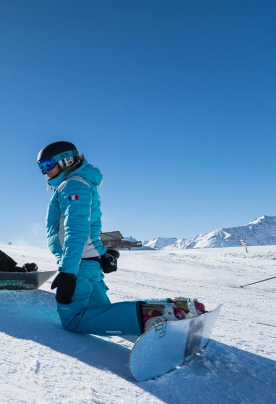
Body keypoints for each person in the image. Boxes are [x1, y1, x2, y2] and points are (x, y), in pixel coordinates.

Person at [37, 141, 204, 336]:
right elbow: (89, 227)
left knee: (73, 320)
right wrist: (102, 252)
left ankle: (157, 314)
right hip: (88, 263)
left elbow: (77, 230)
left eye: (47, 165)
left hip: (78, 265)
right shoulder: (80, 183)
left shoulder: (72, 185)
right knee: (102, 314)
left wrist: (68, 273)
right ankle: (177, 309)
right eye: (41, 167)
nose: (44, 172)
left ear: (65, 161)